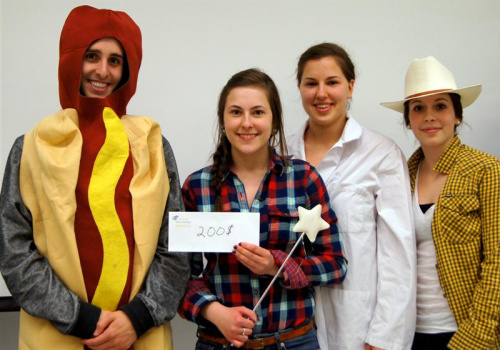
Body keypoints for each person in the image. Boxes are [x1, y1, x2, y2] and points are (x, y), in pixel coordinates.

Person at [0, 6, 189, 350]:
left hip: (141, 335)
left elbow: (175, 243)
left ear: (128, 69)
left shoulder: (153, 145)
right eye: (92, 56)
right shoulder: (30, 147)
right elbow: (14, 249)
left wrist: (137, 318)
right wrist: (82, 319)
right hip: (55, 336)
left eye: (115, 60)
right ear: (71, 60)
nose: (102, 71)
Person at [178, 68, 347, 349]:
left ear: (275, 121)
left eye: (257, 112)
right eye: (235, 112)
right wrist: (214, 311)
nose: (246, 123)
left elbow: (336, 265)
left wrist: (277, 266)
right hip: (219, 343)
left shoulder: (304, 179)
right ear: (223, 120)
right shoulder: (198, 186)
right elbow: (179, 276)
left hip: (293, 341)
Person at [287, 42, 417, 350]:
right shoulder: (281, 155)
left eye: (332, 82)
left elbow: (397, 253)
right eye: (311, 83)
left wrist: (386, 336)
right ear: (299, 88)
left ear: (350, 86)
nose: (321, 93)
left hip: (360, 325)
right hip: (293, 327)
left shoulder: (381, 154)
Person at [381, 56, 500, 349]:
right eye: (418, 108)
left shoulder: (486, 169)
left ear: (457, 115)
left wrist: (476, 337)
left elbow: (497, 261)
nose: (429, 116)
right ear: (408, 120)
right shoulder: (399, 174)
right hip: (407, 332)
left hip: (464, 332)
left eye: (440, 106)